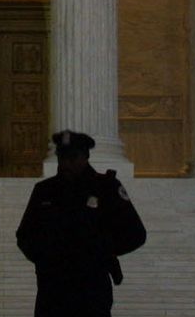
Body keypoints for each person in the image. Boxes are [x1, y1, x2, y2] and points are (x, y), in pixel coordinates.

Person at [16, 130, 146, 317]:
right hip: (53, 288)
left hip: (91, 287)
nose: (67, 163)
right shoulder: (44, 191)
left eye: (73, 157)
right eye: (62, 157)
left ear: (86, 157)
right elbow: (25, 235)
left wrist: (101, 251)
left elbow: (136, 234)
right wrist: (46, 258)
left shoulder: (106, 188)